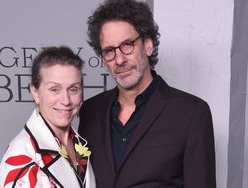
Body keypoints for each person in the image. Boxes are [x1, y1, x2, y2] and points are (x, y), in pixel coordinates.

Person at [78, 0, 216, 187]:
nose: (119, 59)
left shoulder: (191, 113)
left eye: (127, 45)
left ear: (148, 45)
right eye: (109, 51)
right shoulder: (90, 111)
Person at [0, 46, 96, 188]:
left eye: (73, 89)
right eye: (54, 89)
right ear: (35, 92)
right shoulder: (22, 154)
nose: (66, 100)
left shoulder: (79, 142)